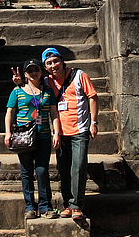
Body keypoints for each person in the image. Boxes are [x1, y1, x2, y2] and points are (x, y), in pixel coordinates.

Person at [41, 47, 98, 221]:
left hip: (80, 129)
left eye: (55, 61)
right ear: (45, 66)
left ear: (62, 61)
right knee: (63, 169)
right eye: (49, 63)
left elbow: (93, 96)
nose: (53, 66)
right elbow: (31, 87)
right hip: (61, 132)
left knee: (79, 167)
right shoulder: (46, 81)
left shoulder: (79, 75)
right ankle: (67, 204)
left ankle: (77, 205)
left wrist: (93, 122)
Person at [5, 58, 59, 220]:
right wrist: (8, 133)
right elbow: (9, 112)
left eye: (36, 69)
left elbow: (54, 113)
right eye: (30, 71)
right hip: (23, 136)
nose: (33, 73)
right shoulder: (17, 92)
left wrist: (56, 132)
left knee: (42, 171)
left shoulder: (48, 91)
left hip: (42, 135)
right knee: (26, 172)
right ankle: (30, 207)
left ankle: (45, 206)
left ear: (41, 71)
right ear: (26, 74)